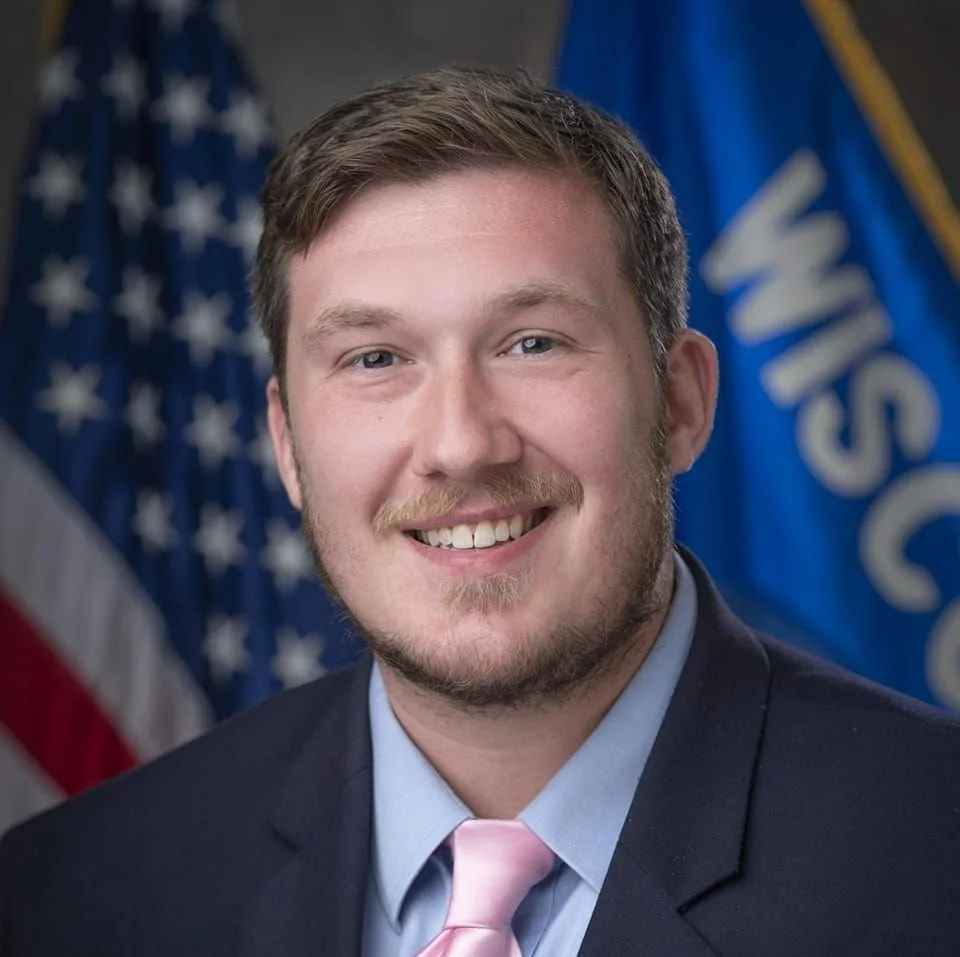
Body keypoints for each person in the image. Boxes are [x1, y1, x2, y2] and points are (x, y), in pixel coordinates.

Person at [2, 66, 959, 957]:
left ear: (679, 404)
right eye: (376, 358)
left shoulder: (932, 853)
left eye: (534, 342)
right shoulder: (71, 892)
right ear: (288, 443)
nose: (461, 442)